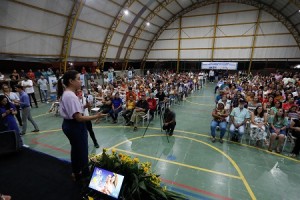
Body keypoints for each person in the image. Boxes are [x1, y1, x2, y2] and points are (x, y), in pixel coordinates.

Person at [57, 70, 105, 181]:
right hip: (75, 126)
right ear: (71, 81)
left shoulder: (67, 94)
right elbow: (78, 118)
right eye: (78, 79)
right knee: (83, 151)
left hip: (69, 124)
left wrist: (83, 106)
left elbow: (73, 111)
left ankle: (76, 171)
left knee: (76, 149)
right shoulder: (71, 96)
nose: (80, 81)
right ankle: (85, 175)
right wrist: (96, 116)